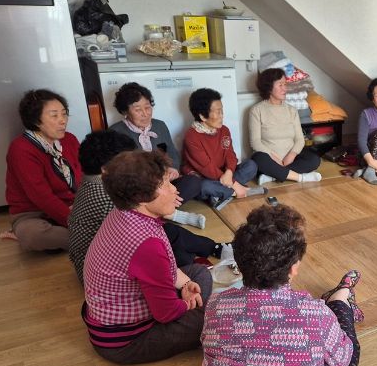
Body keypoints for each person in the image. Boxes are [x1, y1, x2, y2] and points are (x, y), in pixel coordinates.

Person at [202, 205, 362, 366]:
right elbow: (343, 360)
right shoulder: (313, 313)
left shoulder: (215, 305)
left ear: (240, 263)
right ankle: (342, 298)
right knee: (347, 348)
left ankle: (342, 299)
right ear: (293, 267)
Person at [82, 150, 213, 364]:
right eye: (165, 184)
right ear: (141, 197)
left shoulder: (123, 212)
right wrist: (186, 303)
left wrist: (185, 284)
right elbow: (166, 313)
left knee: (199, 274)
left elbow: (164, 267)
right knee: (215, 318)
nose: (174, 189)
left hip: (112, 316)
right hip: (126, 342)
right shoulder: (146, 244)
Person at [69, 131, 227, 284]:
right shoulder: (110, 195)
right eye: (128, 163)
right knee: (177, 254)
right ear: (105, 169)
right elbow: (139, 238)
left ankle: (210, 249)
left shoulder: (94, 182)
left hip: (100, 261)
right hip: (106, 273)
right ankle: (197, 258)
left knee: (169, 232)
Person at [109, 82, 204, 226]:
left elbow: (172, 153)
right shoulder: (116, 132)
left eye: (148, 107)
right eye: (138, 109)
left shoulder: (160, 125)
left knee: (193, 182)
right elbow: (121, 172)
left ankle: (162, 212)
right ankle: (170, 214)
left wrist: (172, 169)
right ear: (125, 111)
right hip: (139, 188)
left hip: (165, 183)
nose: (145, 113)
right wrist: (154, 183)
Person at [3, 89, 82, 252]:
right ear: (36, 120)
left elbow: (83, 175)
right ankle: (90, 237)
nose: (63, 120)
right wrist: (74, 220)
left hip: (73, 205)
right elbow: (40, 196)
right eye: (54, 115)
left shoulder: (70, 139)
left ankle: (82, 237)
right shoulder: (21, 149)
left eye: (64, 114)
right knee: (33, 235)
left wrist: (82, 204)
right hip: (33, 213)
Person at [181, 88, 266, 210]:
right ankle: (235, 192)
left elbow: (230, 155)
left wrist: (229, 172)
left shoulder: (224, 130)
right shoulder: (191, 137)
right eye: (218, 112)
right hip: (205, 177)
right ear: (202, 116)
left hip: (224, 174)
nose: (222, 115)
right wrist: (235, 185)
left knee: (251, 165)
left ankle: (219, 195)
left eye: (222, 110)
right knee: (203, 186)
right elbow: (207, 169)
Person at [249, 68, 322, 185]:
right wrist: (274, 157)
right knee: (258, 159)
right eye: (280, 85)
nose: (285, 88)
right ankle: (300, 177)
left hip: (290, 158)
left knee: (314, 160)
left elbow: (299, 140)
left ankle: (272, 176)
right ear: (269, 87)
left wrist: (291, 155)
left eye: (285, 84)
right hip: (269, 158)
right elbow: (255, 142)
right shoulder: (257, 110)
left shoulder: (291, 110)